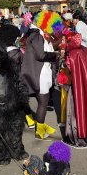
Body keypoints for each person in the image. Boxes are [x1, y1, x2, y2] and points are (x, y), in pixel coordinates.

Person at [21, 10, 63, 140]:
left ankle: (40, 125)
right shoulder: (37, 35)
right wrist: (56, 55)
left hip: (38, 72)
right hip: (40, 73)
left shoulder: (34, 34)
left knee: (41, 101)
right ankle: (40, 131)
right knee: (43, 102)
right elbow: (40, 55)